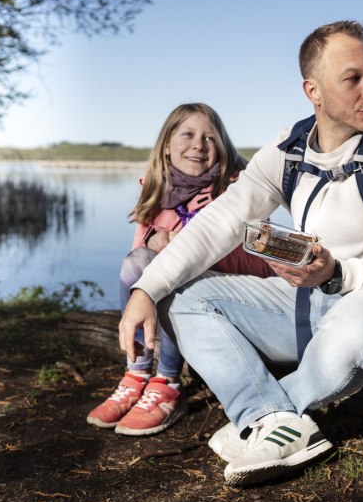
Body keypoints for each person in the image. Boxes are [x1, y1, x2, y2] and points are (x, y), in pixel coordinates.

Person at [118, 21, 363, 486]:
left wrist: (337, 273)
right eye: (353, 79)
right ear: (314, 91)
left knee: (359, 323)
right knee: (182, 296)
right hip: (308, 307)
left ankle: (258, 420)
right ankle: (270, 419)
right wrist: (146, 288)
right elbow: (219, 224)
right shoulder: (287, 151)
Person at [87, 103, 273, 436]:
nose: (198, 145)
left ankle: (168, 382)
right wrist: (159, 247)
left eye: (209, 138)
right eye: (187, 134)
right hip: (180, 295)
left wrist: (195, 250)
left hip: (233, 294)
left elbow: (262, 261)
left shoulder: (238, 189)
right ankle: (137, 374)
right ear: (168, 144)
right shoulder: (156, 190)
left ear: (222, 147)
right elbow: (137, 266)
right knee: (139, 262)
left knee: (177, 267)